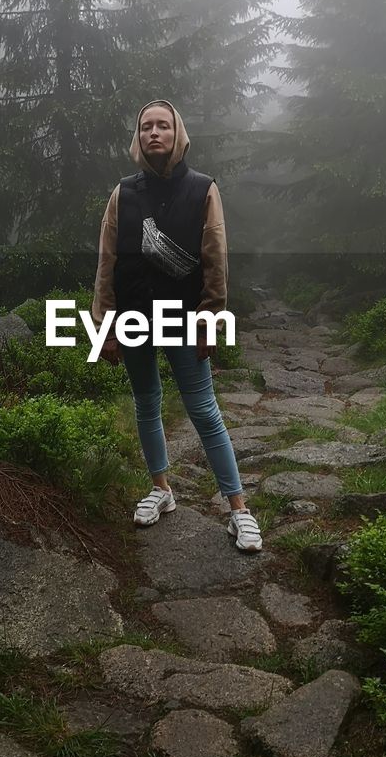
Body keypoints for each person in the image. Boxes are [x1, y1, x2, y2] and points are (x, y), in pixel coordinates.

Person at [91, 98, 263, 553]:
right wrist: (104, 326)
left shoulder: (203, 189)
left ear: (177, 134)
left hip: (186, 318)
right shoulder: (122, 194)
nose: (154, 133)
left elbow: (215, 257)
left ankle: (239, 510)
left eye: (162, 126)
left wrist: (211, 317)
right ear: (138, 137)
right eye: (146, 126)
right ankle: (162, 489)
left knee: (204, 411)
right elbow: (106, 263)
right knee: (146, 403)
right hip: (133, 317)